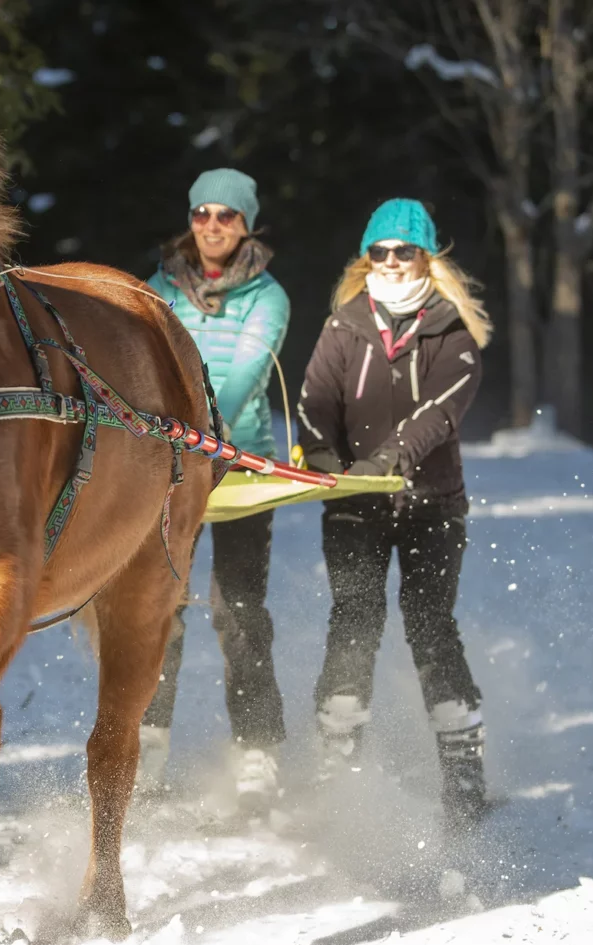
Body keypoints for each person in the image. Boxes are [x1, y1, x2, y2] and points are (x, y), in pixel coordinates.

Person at [297, 198, 494, 824]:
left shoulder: (453, 334)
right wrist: (324, 460)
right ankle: (336, 770)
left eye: (402, 250)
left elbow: (439, 414)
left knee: (430, 623)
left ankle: (463, 772)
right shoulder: (344, 326)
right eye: (378, 251)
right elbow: (314, 402)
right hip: (354, 504)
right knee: (354, 619)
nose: (389, 261)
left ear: (426, 257)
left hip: (432, 503)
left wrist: (384, 462)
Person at [136, 168, 291, 809]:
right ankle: (146, 741)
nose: (212, 225)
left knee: (239, 609)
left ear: (246, 223)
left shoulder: (267, 296)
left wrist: (208, 432)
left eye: (226, 215)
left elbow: (247, 371)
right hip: (168, 470)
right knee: (159, 605)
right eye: (202, 213)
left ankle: (257, 747)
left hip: (239, 466)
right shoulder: (158, 290)